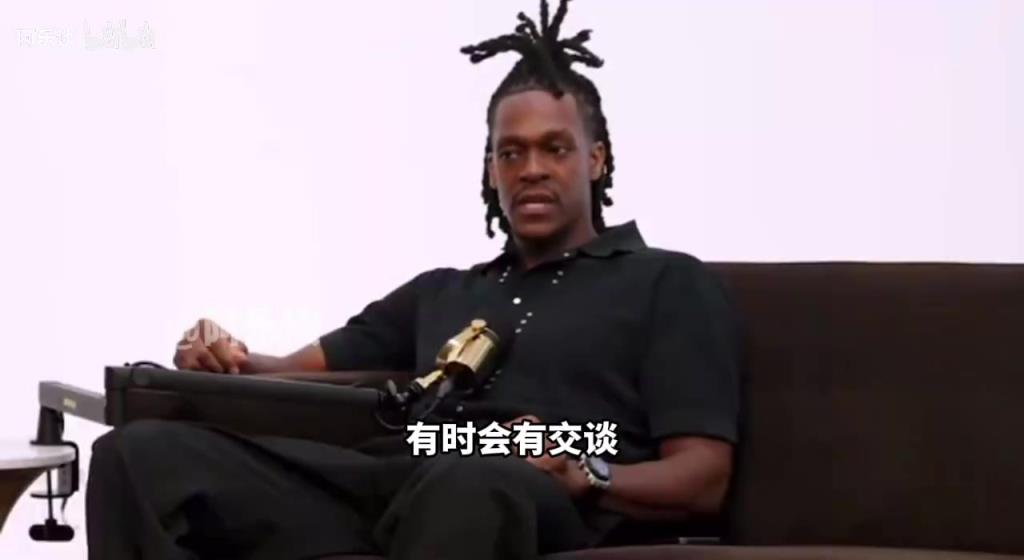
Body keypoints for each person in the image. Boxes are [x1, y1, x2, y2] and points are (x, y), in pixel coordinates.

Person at [85, 1, 743, 559]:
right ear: (490, 170)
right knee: (139, 458)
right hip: (397, 481)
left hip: (540, 499)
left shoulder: (666, 282)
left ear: (596, 160)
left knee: (474, 482)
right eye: (510, 152)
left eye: (555, 148)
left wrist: (589, 473)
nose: (531, 169)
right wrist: (223, 354)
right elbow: (285, 373)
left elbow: (704, 478)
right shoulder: (442, 292)